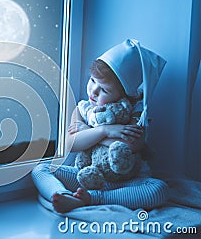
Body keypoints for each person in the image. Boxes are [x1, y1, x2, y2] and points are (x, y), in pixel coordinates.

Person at [32, 39, 169, 213]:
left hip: (124, 184)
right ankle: (64, 195)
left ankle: (91, 198)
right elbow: (70, 144)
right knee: (41, 169)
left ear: (124, 96)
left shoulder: (136, 114)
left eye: (104, 90)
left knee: (158, 189)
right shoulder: (84, 108)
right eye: (92, 80)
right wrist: (105, 130)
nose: (93, 91)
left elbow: (130, 145)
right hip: (85, 175)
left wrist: (88, 133)